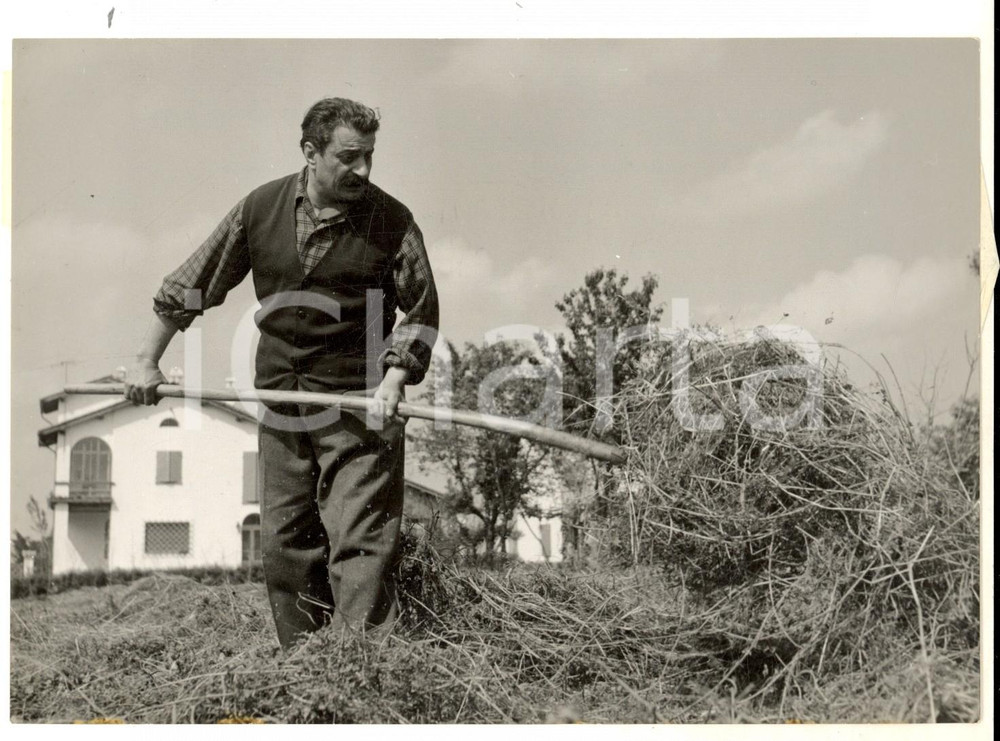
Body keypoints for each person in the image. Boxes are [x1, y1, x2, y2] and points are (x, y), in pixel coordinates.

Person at [124, 97, 439, 648]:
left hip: (360, 406)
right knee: (286, 541)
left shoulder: (392, 222)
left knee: (359, 541)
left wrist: (394, 380)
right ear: (310, 153)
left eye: (369, 156)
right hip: (283, 401)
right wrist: (146, 361)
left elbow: (420, 310)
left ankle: (365, 667)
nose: (363, 169)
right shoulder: (259, 210)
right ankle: (305, 664)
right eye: (349, 156)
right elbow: (193, 285)